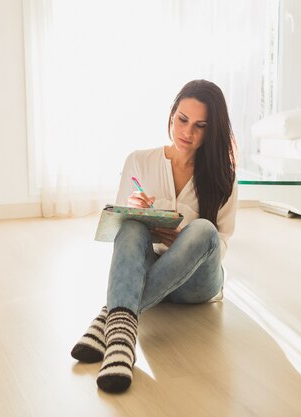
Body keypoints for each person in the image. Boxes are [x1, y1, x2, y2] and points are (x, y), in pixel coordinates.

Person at [70, 79, 238, 393]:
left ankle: (112, 315)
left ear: (211, 131)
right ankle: (122, 342)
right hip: (150, 269)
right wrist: (138, 214)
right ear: (171, 115)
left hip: (197, 285)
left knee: (204, 230)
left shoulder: (223, 174)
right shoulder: (138, 160)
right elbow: (119, 231)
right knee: (131, 225)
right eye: (182, 120)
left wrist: (185, 238)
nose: (187, 132)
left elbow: (222, 240)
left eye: (200, 126)